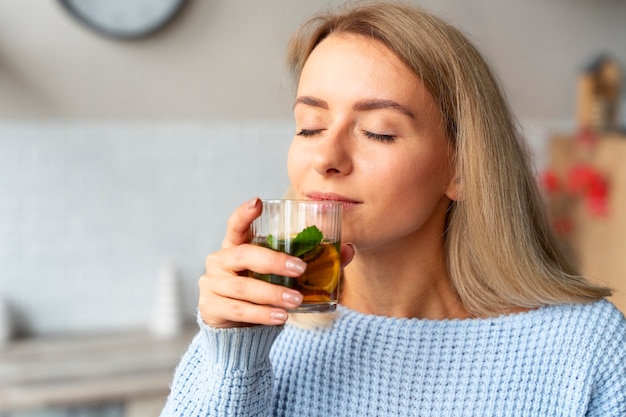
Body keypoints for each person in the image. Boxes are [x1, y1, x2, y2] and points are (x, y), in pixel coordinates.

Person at [160, 1, 626, 416]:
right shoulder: (247, 336)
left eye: (379, 132)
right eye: (310, 127)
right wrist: (235, 357)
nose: (326, 158)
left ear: (462, 168)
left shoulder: (586, 349)